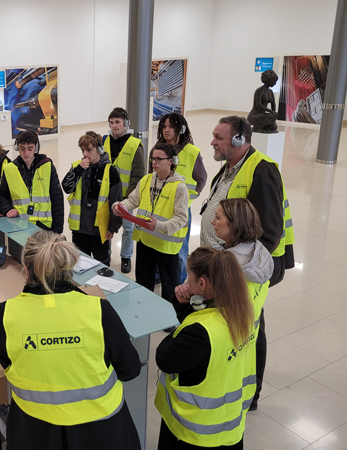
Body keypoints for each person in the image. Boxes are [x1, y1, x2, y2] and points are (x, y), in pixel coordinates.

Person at [0, 230, 142, 450]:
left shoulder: (7, 313)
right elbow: (130, 369)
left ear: (26, 270)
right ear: (69, 268)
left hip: (34, 432)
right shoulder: (98, 310)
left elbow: (7, 362)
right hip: (101, 432)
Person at [176, 198, 273, 411]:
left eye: (218, 217)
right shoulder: (260, 254)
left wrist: (189, 296)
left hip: (218, 349)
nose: (212, 221)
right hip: (244, 341)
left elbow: (203, 307)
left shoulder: (225, 269)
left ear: (234, 225)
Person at [155, 247, 256, 449]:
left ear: (201, 284)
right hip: (230, 427)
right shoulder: (242, 313)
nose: (186, 282)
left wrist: (187, 312)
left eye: (188, 277)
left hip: (195, 434)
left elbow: (164, 357)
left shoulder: (200, 332)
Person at [200, 116, 294, 286]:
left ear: (239, 140)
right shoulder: (229, 167)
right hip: (223, 261)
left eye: (219, 138)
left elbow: (269, 231)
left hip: (241, 268)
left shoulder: (262, 170)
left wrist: (238, 267)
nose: (213, 143)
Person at [113, 143, 188, 303]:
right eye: (153, 158)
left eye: (159, 159)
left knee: (169, 287)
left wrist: (159, 226)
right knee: (143, 283)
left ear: (171, 161)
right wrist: (119, 206)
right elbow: (133, 200)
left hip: (165, 245)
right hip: (145, 240)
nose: (154, 162)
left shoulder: (179, 187)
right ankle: (143, 308)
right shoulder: (146, 180)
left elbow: (182, 218)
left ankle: (169, 314)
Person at [156, 113, 207, 283]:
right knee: (157, 242)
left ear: (181, 129)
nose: (167, 130)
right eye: (164, 127)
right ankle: (158, 275)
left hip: (181, 209)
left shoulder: (191, 151)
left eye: (171, 127)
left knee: (180, 248)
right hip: (159, 206)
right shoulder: (157, 149)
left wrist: (188, 198)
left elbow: (201, 179)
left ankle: (179, 280)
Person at [62, 131, 122, 266]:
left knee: (102, 267)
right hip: (79, 228)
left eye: (89, 150)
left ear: (99, 149)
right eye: (83, 150)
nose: (85, 154)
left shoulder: (111, 171)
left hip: (99, 230)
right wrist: (78, 170)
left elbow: (116, 202)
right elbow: (66, 188)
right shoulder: (77, 166)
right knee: (80, 265)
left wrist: (113, 227)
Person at [103, 107, 145, 273]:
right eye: (111, 122)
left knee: (128, 228)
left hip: (127, 196)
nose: (114, 126)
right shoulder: (105, 141)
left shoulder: (135, 145)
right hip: (107, 194)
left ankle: (126, 257)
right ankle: (106, 254)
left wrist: (129, 199)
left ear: (125, 123)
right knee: (106, 225)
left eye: (117, 122)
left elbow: (138, 175)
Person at [0, 131, 64, 234]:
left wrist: (58, 230)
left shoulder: (47, 166)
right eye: (22, 148)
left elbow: (57, 199)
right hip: (19, 226)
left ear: (36, 148)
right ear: (17, 148)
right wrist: (7, 209)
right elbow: (2, 195)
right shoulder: (9, 169)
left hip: (44, 227)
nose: (26, 153)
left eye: (30, 148)